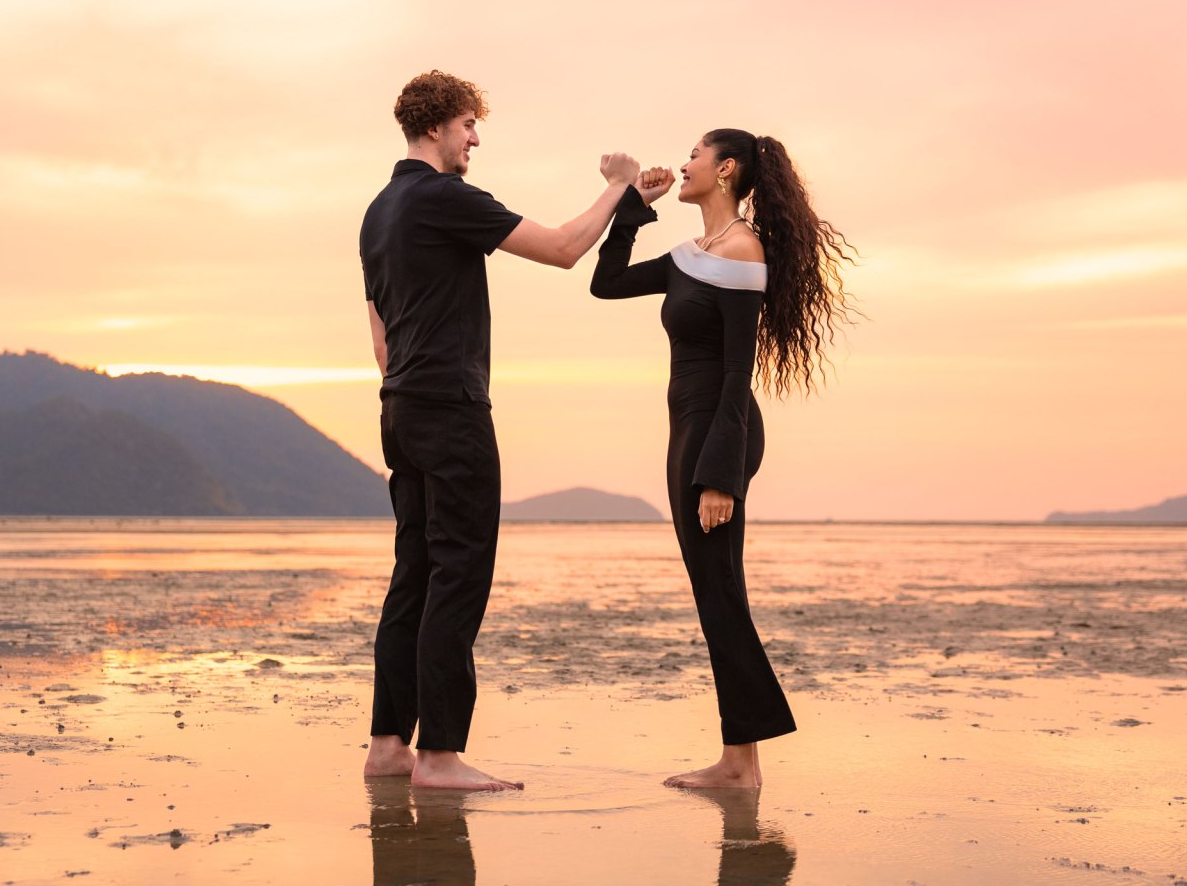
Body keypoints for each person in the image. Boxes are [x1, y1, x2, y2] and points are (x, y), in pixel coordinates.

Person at [359, 70, 642, 791]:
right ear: (436, 128)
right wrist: (618, 185)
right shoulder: (445, 198)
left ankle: (389, 747)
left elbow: (382, 340)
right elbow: (562, 248)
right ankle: (441, 758)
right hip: (451, 410)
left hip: (399, 406)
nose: (475, 139)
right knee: (458, 574)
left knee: (414, 575)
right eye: (467, 126)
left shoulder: (378, 212)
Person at [590, 129, 854, 788]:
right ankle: (740, 760)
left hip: (720, 437)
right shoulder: (691, 255)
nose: (681, 166)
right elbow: (607, 282)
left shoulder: (741, 252)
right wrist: (632, 204)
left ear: (726, 168)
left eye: (694, 157)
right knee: (715, 595)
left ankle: (742, 765)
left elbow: (739, 374)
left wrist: (720, 477)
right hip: (689, 434)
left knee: (720, 596)